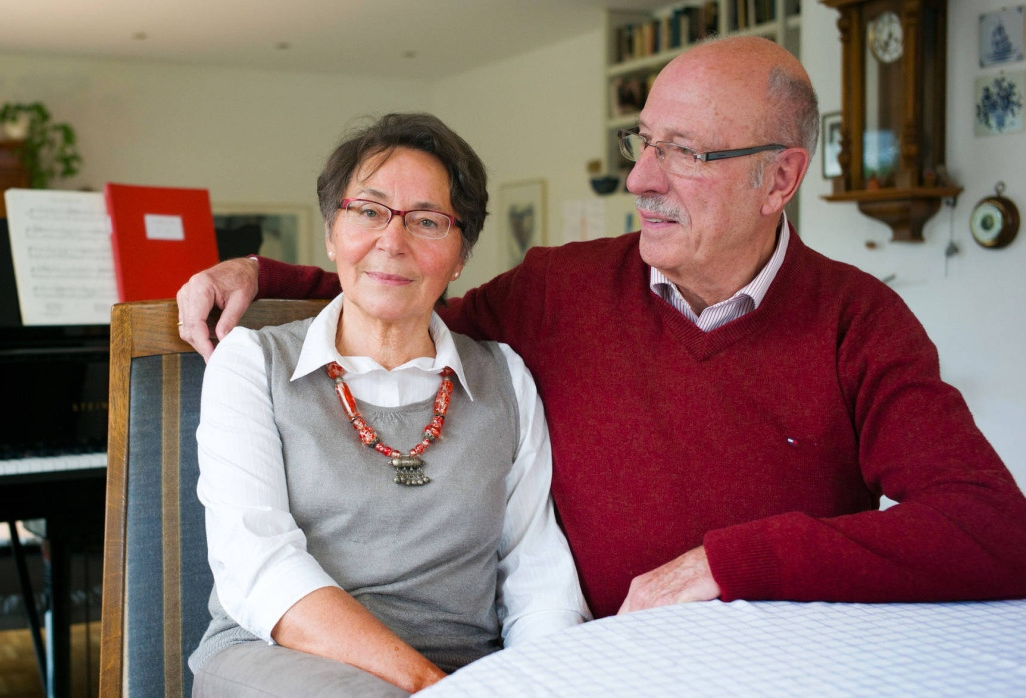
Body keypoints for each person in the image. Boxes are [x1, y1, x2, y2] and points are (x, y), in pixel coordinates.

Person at [178, 36, 1026, 620]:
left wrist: (733, 565)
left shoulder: (858, 319)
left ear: (780, 180)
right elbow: (412, 293)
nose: (640, 177)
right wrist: (267, 275)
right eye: (643, 140)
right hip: (585, 659)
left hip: (767, 662)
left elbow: (994, 529)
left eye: (684, 152)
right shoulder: (562, 288)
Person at [188, 113, 589, 697]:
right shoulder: (250, 364)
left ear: (459, 256)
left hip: (468, 671)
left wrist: (540, 685)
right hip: (279, 658)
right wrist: (431, 686)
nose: (391, 241)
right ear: (332, 233)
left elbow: (537, 572)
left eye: (427, 221)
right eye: (368, 211)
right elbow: (258, 566)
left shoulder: (504, 375)